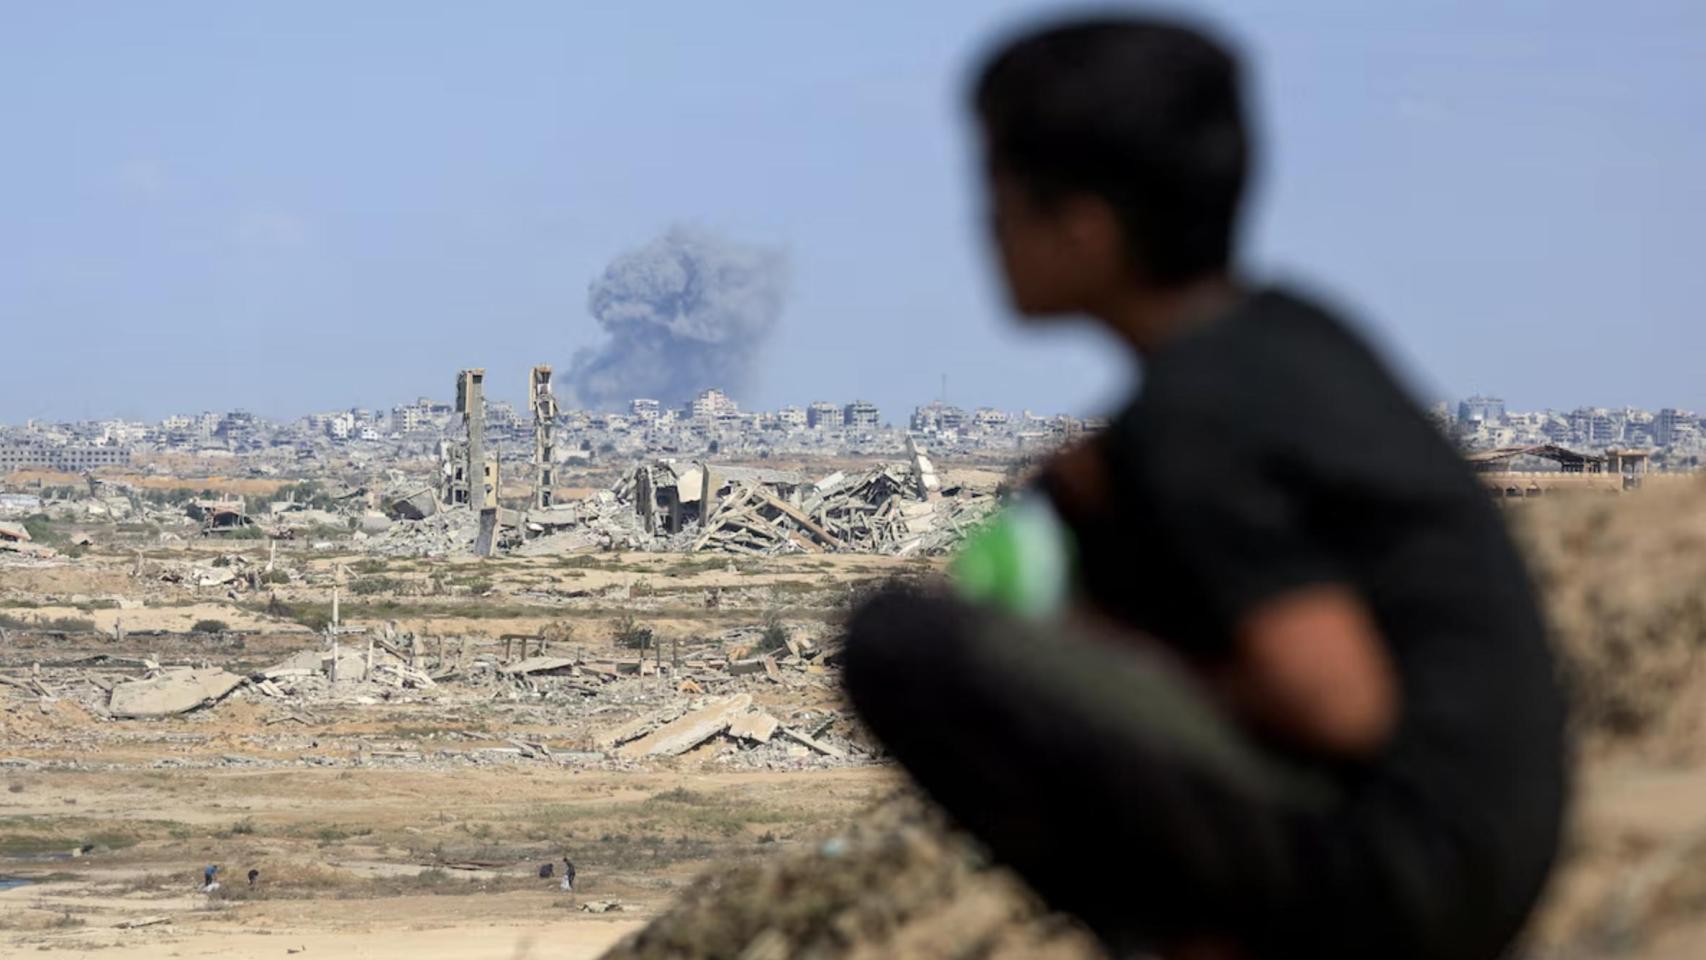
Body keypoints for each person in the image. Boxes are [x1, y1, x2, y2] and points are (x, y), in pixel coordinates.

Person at [842, 14, 1566, 960]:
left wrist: (1110, 649)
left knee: (901, 645)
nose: (985, 228)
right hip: (1483, 859)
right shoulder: (1290, 335)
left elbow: (1335, 701)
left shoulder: (1194, 413)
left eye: (1001, 196)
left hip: (1403, 880)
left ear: (1084, 226)